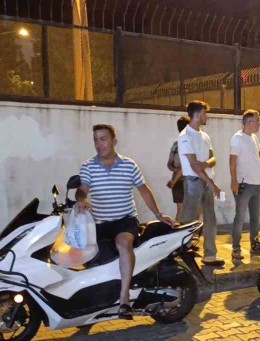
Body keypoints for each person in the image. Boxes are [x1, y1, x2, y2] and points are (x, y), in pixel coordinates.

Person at [76, 124, 175, 320]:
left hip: (125, 221)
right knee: (83, 253)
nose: (99, 144)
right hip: (100, 223)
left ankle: (124, 299)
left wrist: (159, 214)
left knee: (123, 243)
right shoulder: (88, 166)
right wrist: (81, 199)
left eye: (103, 139)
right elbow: (82, 188)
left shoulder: (129, 165)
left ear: (114, 141)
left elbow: (143, 190)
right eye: (95, 140)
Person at [178, 100, 224, 266]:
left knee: (210, 218)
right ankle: (182, 253)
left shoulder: (205, 136)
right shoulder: (185, 137)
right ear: (197, 115)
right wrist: (211, 182)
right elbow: (194, 167)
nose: (206, 117)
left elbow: (213, 159)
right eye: (205, 114)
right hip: (193, 182)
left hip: (206, 181)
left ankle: (210, 255)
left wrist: (204, 164)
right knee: (189, 220)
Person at [230, 109, 260, 260]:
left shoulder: (254, 137)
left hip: (256, 185)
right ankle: (236, 249)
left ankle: (254, 246)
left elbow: (259, 154)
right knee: (240, 217)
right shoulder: (237, 138)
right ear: (249, 123)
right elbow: (232, 161)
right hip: (243, 185)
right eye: (257, 121)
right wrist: (234, 181)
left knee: (255, 217)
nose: (259, 124)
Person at [166, 116, 190, 222]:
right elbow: (186, 166)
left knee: (180, 210)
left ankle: (178, 230)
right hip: (188, 180)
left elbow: (169, 164)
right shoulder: (190, 143)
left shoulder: (176, 145)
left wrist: (175, 171)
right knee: (192, 209)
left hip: (177, 180)